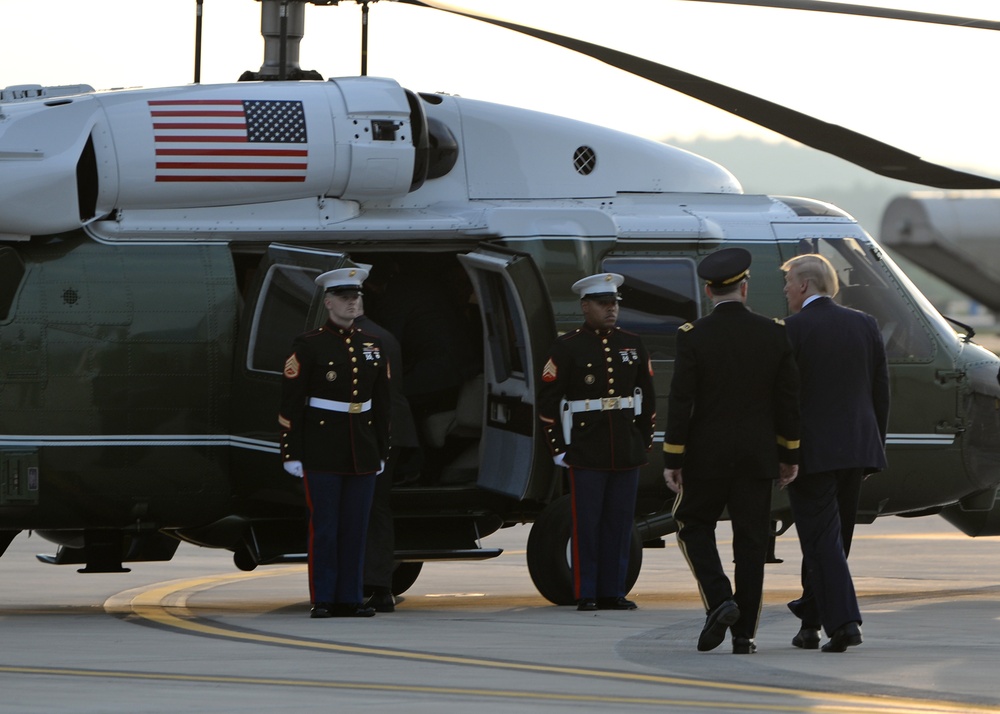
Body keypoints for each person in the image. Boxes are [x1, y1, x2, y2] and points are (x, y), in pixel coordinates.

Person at [663, 247, 800, 655]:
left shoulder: (692, 336)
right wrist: (789, 453)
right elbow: (787, 400)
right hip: (757, 457)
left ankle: (721, 598)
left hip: (707, 456)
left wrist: (673, 457)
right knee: (752, 545)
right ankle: (745, 635)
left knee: (691, 523)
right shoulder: (774, 333)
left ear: (708, 291)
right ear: (744, 287)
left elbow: (681, 401)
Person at [781, 253, 889, 653]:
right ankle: (810, 620)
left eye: (789, 283)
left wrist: (783, 450)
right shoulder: (864, 324)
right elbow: (880, 391)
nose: (787, 290)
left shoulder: (792, 330)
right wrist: (872, 448)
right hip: (857, 449)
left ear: (805, 285)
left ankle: (844, 624)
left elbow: (786, 399)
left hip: (811, 453)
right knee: (832, 539)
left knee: (821, 541)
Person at [538, 273, 656, 611]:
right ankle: (586, 591)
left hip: (625, 447)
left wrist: (643, 440)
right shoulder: (567, 347)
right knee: (587, 524)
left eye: (614, 303)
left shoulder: (632, 343)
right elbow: (549, 402)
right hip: (586, 449)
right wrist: (559, 448)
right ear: (585, 306)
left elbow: (646, 399)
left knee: (619, 524)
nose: (611, 310)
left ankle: (613, 590)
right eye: (604, 304)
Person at [278, 266, 391, 619]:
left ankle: (351, 598)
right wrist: (291, 450)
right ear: (328, 302)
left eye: (356, 297)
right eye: (344, 298)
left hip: (362, 449)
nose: (352, 303)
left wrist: (381, 448)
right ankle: (324, 597)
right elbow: (290, 403)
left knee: (356, 528)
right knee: (325, 527)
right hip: (322, 448)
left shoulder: (373, 346)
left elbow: (382, 403)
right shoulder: (309, 345)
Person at [356, 300, 419, 613]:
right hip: (387, 432)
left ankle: (367, 583)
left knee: (367, 509)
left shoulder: (363, 339)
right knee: (376, 510)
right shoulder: (382, 336)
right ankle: (378, 584)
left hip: (371, 433)